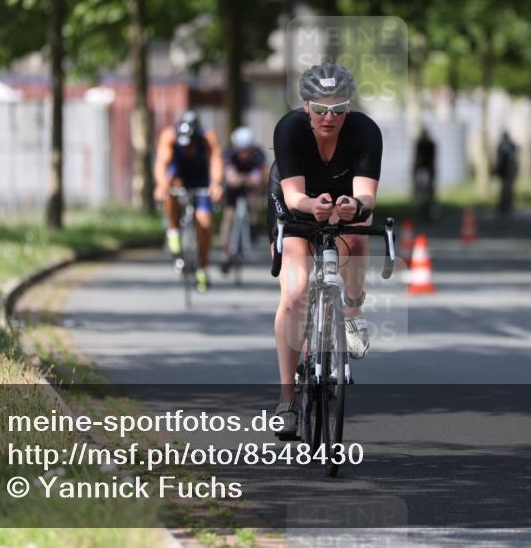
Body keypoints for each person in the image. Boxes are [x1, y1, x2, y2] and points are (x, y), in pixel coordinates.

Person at [268, 63, 382, 439]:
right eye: (319, 109)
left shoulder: (365, 131)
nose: (328, 117)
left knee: (359, 235)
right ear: (306, 106)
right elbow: (293, 195)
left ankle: (352, 311)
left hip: (343, 202)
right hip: (297, 200)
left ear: (349, 108)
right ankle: (287, 399)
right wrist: (312, 205)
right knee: (295, 294)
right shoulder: (289, 129)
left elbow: (368, 196)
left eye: (337, 109)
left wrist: (354, 205)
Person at [153, 110, 224, 292]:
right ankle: (173, 231)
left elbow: (216, 160)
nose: (187, 148)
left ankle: (203, 267)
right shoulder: (169, 136)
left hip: (200, 179)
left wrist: (216, 183)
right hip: (178, 176)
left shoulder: (207, 137)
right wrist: (161, 185)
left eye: (190, 144)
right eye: (184, 145)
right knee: (170, 191)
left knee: (205, 223)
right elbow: (162, 163)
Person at [219, 126, 267, 273]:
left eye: (247, 150)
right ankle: (225, 254)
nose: (244, 154)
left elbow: (261, 177)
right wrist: (240, 178)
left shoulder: (258, 154)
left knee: (254, 198)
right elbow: (230, 178)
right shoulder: (229, 154)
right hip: (234, 188)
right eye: (241, 150)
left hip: (250, 186)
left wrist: (252, 180)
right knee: (228, 217)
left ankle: (253, 223)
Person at [413, 127, 437, 220]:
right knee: (425, 191)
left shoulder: (424, 144)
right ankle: (425, 210)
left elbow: (417, 157)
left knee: (427, 191)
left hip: (425, 169)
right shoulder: (425, 144)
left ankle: (427, 210)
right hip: (424, 169)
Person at [494, 131, 518, 218]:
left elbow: (512, 160)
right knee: (505, 189)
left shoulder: (509, 146)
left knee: (507, 189)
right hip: (505, 172)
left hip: (508, 172)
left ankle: (506, 205)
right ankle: (505, 205)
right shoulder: (505, 146)